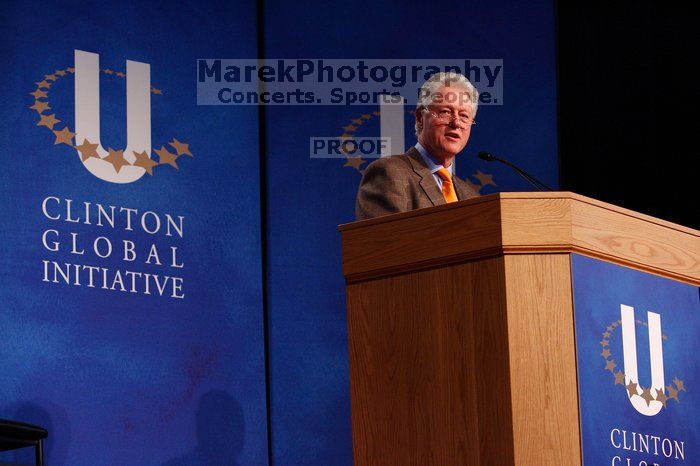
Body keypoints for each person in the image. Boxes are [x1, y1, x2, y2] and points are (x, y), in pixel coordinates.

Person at [355, 72, 479, 220]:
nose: (456, 123)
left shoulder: (472, 196)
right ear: (420, 118)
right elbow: (385, 241)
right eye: (445, 112)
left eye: (464, 116)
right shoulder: (390, 173)